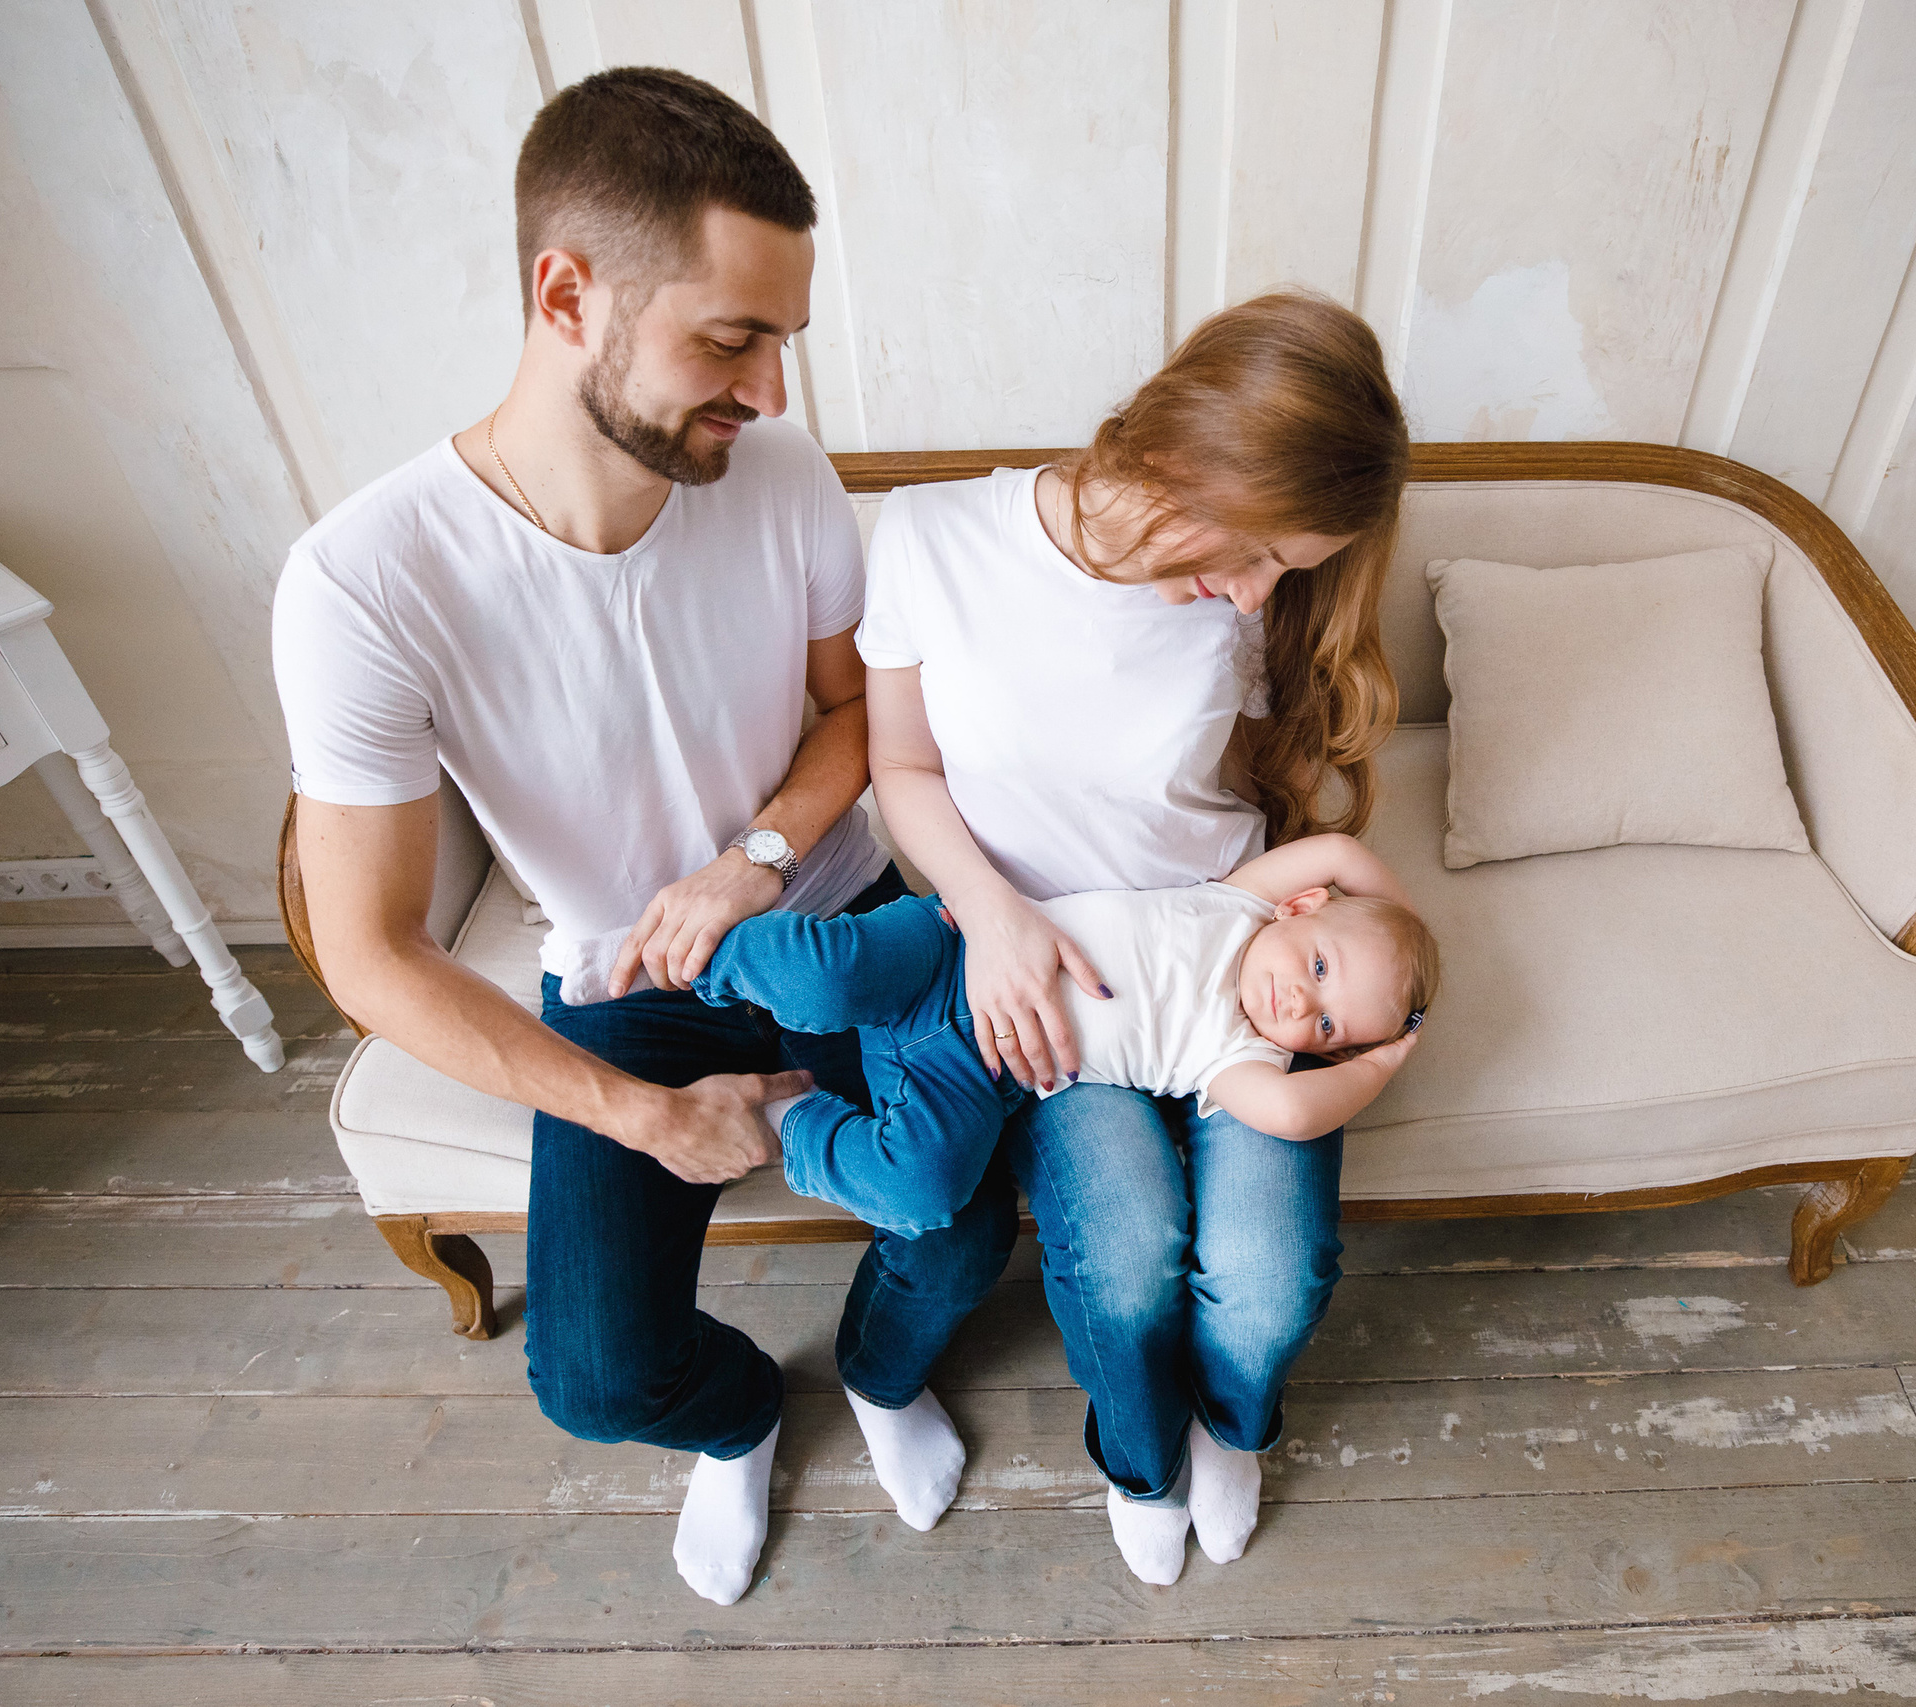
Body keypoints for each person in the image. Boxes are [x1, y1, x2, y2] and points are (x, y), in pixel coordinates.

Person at [270, 68, 1012, 1608]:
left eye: (785, 341)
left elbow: (846, 723)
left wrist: (753, 851)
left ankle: (877, 1374)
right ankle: (742, 1419)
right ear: (566, 295)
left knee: (951, 1216)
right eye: (733, 338)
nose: (776, 392)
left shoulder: (783, 477)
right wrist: (641, 1112)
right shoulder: (364, 581)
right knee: (598, 1376)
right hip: (625, 978)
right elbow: (368, 950)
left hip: (832, 913)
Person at [857, 291, 1411, 1584]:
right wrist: (992, 921)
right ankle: (1141, 1455)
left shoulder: (1252, 597)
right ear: (1182, 454)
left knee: (1270, 1284)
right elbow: (900, 765)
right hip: (1057, 972)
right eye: (1261, 547)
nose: (1259, 592)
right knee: (1123, 1272)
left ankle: (1234, 1424)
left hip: (1231, 957)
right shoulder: (935, 536)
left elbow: (1266, 794)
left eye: (1293, 565)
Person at [690, 833, 1436, 1239]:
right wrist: (1403, 930)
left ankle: (788, 1122)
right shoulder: (1239, 904)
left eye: (1328, 1025)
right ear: (1298, 906)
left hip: (974, 1072)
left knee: (924, 1191)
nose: (1302, 1000)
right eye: (1319, 965)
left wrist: (1384, 1061)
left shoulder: (1242, 1055)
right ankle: (693, 959)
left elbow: (1295, 1115)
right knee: (825, 978)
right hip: (950, 949)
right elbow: (1340, 850)